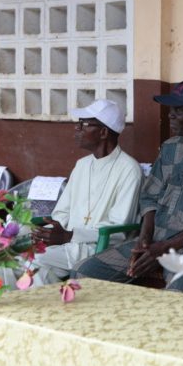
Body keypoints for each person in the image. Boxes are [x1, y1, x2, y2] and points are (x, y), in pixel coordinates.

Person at [74, 77, 183, 293]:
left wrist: (164, 248)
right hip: (155, 241)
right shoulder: (170, 148)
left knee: (177, 290)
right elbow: (150, 197)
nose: (170, 114)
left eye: (179, 109)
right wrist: (145, 240)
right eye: (170, 108)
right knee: (85, 272)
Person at [29, 99, 143, 285]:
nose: (77, 129)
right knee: (32, 265)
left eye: (84, 124)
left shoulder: (129, 170)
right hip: (67, 243)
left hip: (98, 249)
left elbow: (118, 230)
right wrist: (49, 233)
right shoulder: (82, 165)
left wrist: (70, 235)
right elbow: (62, 212)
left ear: (104, 132)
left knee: (32, 257)